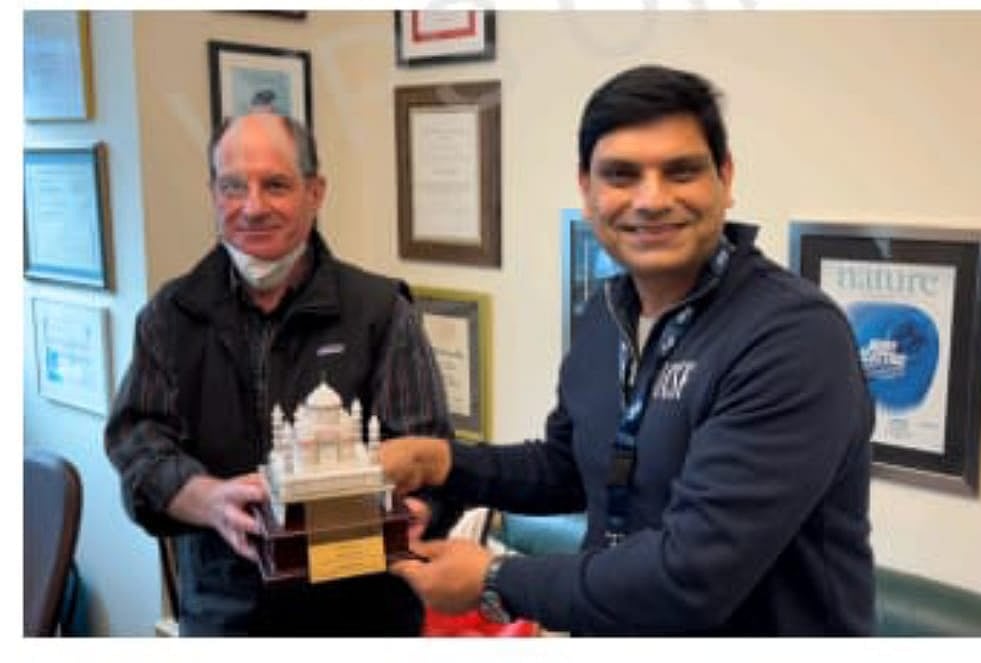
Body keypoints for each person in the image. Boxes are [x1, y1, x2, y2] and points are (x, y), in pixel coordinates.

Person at [384, 65, 876, 636]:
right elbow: (570, 467)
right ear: (586, 190)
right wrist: (441, 462)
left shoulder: (791, 337)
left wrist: (497, 579)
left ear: (726, 176)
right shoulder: (607, 313)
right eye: (621, 175)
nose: (651, 199)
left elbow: (689, 578)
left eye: (681, 171)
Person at [105, 112, 458, 636]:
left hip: (361, 614)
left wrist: (417, 509)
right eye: (232, 187)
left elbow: (428, 451)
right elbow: (138, 445)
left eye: (275, 185)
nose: (252, 207)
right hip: (227, 615)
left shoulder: (380, 312)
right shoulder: (171, 316)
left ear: (315, 193)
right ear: (212, 193)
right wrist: (212, 501)